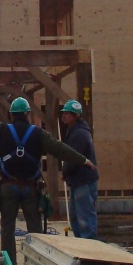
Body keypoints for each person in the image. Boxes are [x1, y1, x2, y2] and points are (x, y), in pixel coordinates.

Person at [0, 93, 96, 265]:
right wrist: (84, 160)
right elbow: (60, 149)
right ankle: (38, 264)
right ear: (27, 114)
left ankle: (9, 264)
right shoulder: (39, 134)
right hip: (31, 188)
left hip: (8, 187)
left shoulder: (1, 130)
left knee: (7, 227)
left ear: (11, 114)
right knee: (35, 228)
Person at [58, 99, 100, 240]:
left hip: (84, 181)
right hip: (77, 181)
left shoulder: (80, 134)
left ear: (75, 116)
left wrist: (65, 172)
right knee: (76, 217)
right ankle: (82, 245)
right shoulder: (75, 131)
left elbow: (74, 157)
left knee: (85, 218)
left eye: (66, 114)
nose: (63, 116)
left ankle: (90, 247)